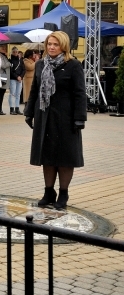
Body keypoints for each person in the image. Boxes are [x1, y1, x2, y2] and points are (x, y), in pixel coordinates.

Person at [25, 31, 86, 210]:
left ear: (64, 46)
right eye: (49, 44)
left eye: (55, 44)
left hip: (66, 119)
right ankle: (48, 192)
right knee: (48, 156)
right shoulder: (40, 64)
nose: (51, 47)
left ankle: (63, 193)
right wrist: (29, 112)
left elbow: (79, 94)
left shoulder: (73, 65)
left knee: (65, 158)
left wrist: (79, 118)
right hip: (45, 117)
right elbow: (34, 90)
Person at [8, 47, 25, 115]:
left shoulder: (20, 60)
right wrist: (16, 76)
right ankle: (12, 109)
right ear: (12, 52)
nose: (15, 53)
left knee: (18, 94)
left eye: (16, 52)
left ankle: (17, 108)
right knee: (12, 94)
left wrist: (21, 76)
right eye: (14, 52)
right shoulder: (10, 60)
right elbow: (11, 71)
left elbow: (24, 69)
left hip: (20, 79)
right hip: (13, 79)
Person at [0, 45, 11, 115]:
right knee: (0, 95)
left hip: (4, 77)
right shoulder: (0, 56)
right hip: (2, 77)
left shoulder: (4, 56)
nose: (5, 50)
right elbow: (3, 65)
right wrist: (9, 63)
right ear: (0, 50)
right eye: (3, 49)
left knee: (1, 95)